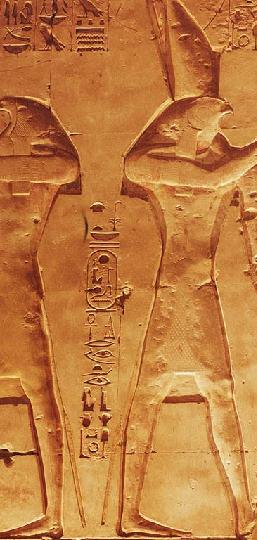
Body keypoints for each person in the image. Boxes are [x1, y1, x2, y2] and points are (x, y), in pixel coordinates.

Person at [118, 0, 257, 536]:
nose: (220, 125)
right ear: (184, 120)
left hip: (201, 291)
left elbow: (256, 245)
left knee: (219, 394)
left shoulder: (230, 163)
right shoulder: (154, 164)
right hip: (174, 292)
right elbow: (207, 179)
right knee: (150, 395)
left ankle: (245, 514)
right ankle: (129, 514)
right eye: (212, 116)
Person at [0, 96, 81, 539]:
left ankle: (53, 515)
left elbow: (64, 168)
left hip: (18, 289)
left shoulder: (26, 116)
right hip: (17, 289)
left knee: (41, 397)